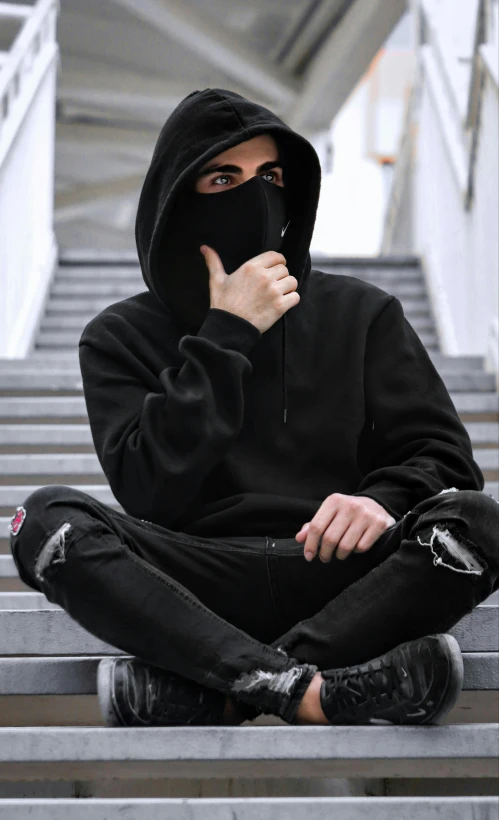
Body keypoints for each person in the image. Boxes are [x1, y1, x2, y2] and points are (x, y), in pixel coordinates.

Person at [10, 88, 499, 729]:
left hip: (341, 572)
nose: (254, 196)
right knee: (44, 521)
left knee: (476, 522)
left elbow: (445, 459)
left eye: (269, 176)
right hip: (196, 581)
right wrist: (227, 332)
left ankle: (232, 689)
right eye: (224, 177)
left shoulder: (364, 313)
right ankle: (308, 689)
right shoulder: (118, 336)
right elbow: (148, 488)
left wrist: (381, 498)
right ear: (178, 199)